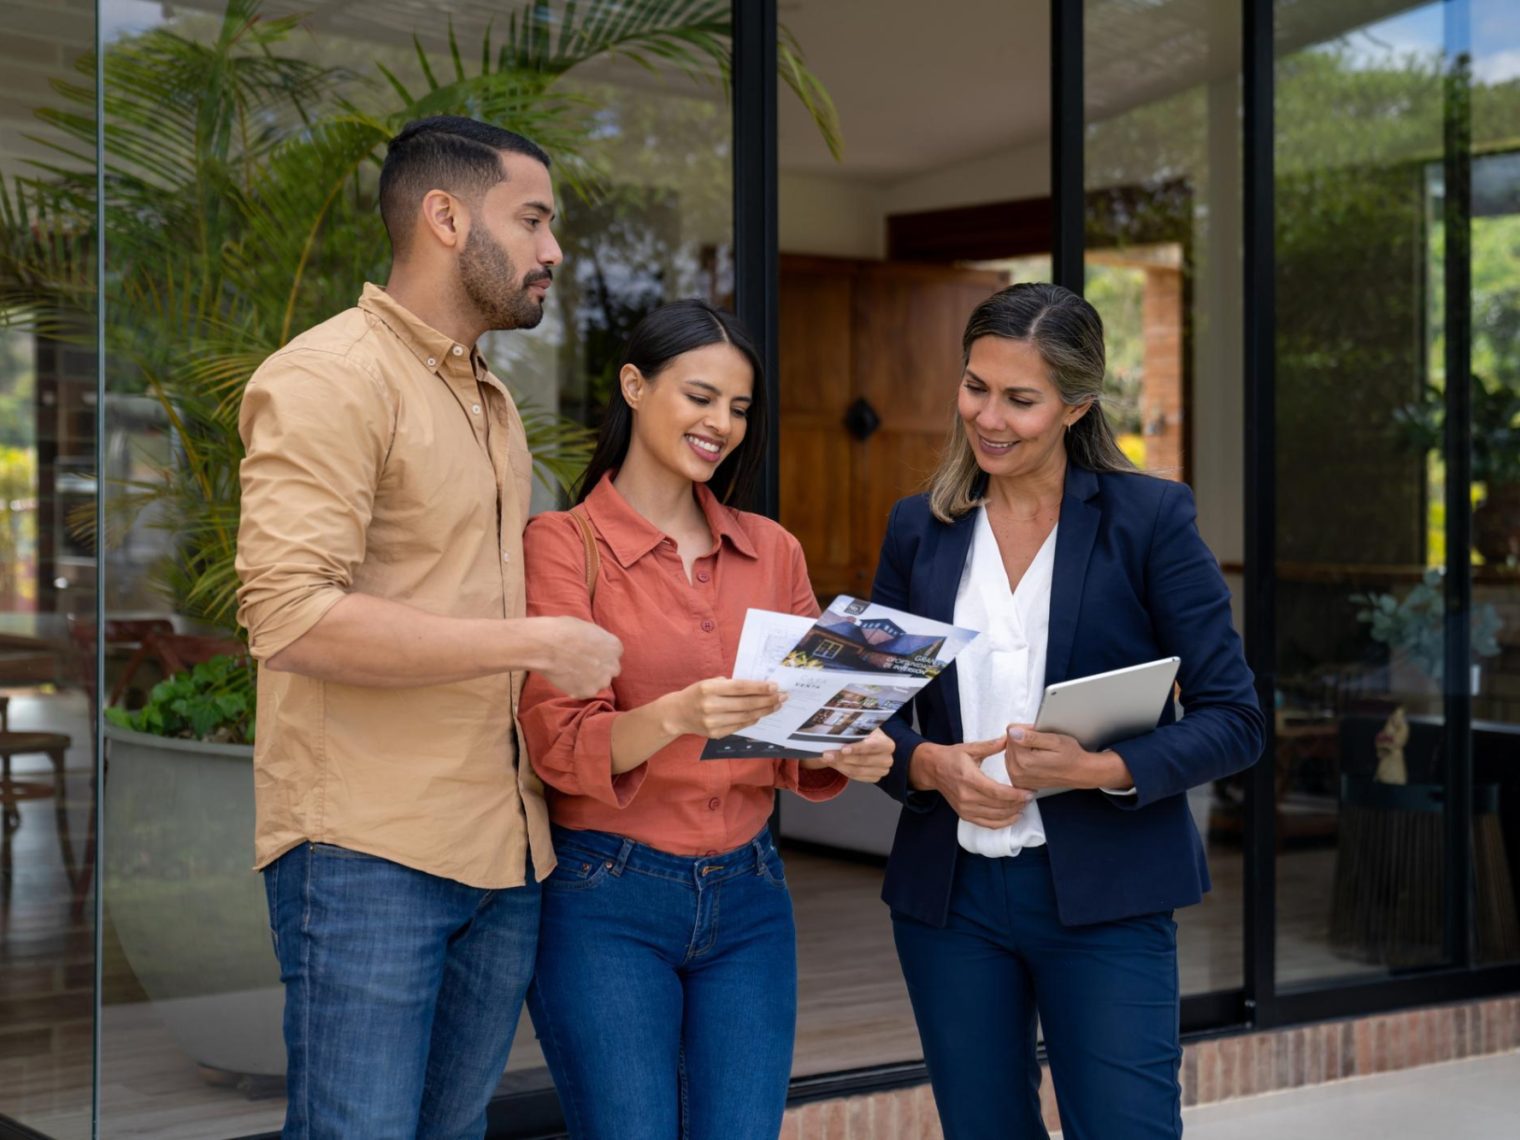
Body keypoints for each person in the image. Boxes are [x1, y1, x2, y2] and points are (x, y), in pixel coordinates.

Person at [235, 115, 621, 1140]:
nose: (552, 250)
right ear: (446, 218)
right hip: (368, 851)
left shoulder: (489, 396)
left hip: (503, 855)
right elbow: (289, 615)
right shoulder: (328, 377)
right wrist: (535, 643)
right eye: (533, 220)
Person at [870, 283, 1265, 1139]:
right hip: (951, 903)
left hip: (1106, 899)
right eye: (976, 387)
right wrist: (925, 766)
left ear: (1077, 404)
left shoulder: (1150, 520)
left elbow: (1236, 717)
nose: (990, 417)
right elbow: (877, 715)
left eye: (1022, 399)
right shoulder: (919, 528)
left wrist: (1098, 769)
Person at [517, 299, 893, 1140]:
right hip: (606, 897)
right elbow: (556, 742)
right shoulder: (560, 543)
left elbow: (797, 735)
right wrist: (674, 716)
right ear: (634, 386)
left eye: (738, 407)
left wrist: (852, 744)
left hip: (751, 895)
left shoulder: (774, 549)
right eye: (699, 397)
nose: (720, 423)